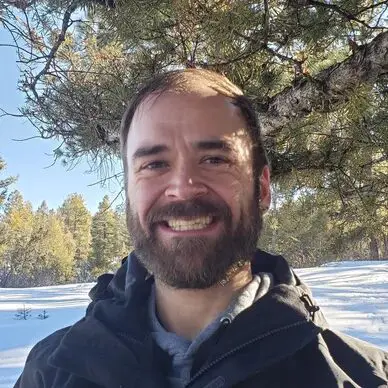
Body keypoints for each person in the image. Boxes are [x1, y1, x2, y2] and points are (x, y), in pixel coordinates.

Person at [15, 69, 387, 388]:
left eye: (214, 159)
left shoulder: (359, 377)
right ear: (129, 191)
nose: (183, 186)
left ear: (261, 187)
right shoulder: (50, 372)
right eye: (154, 164)